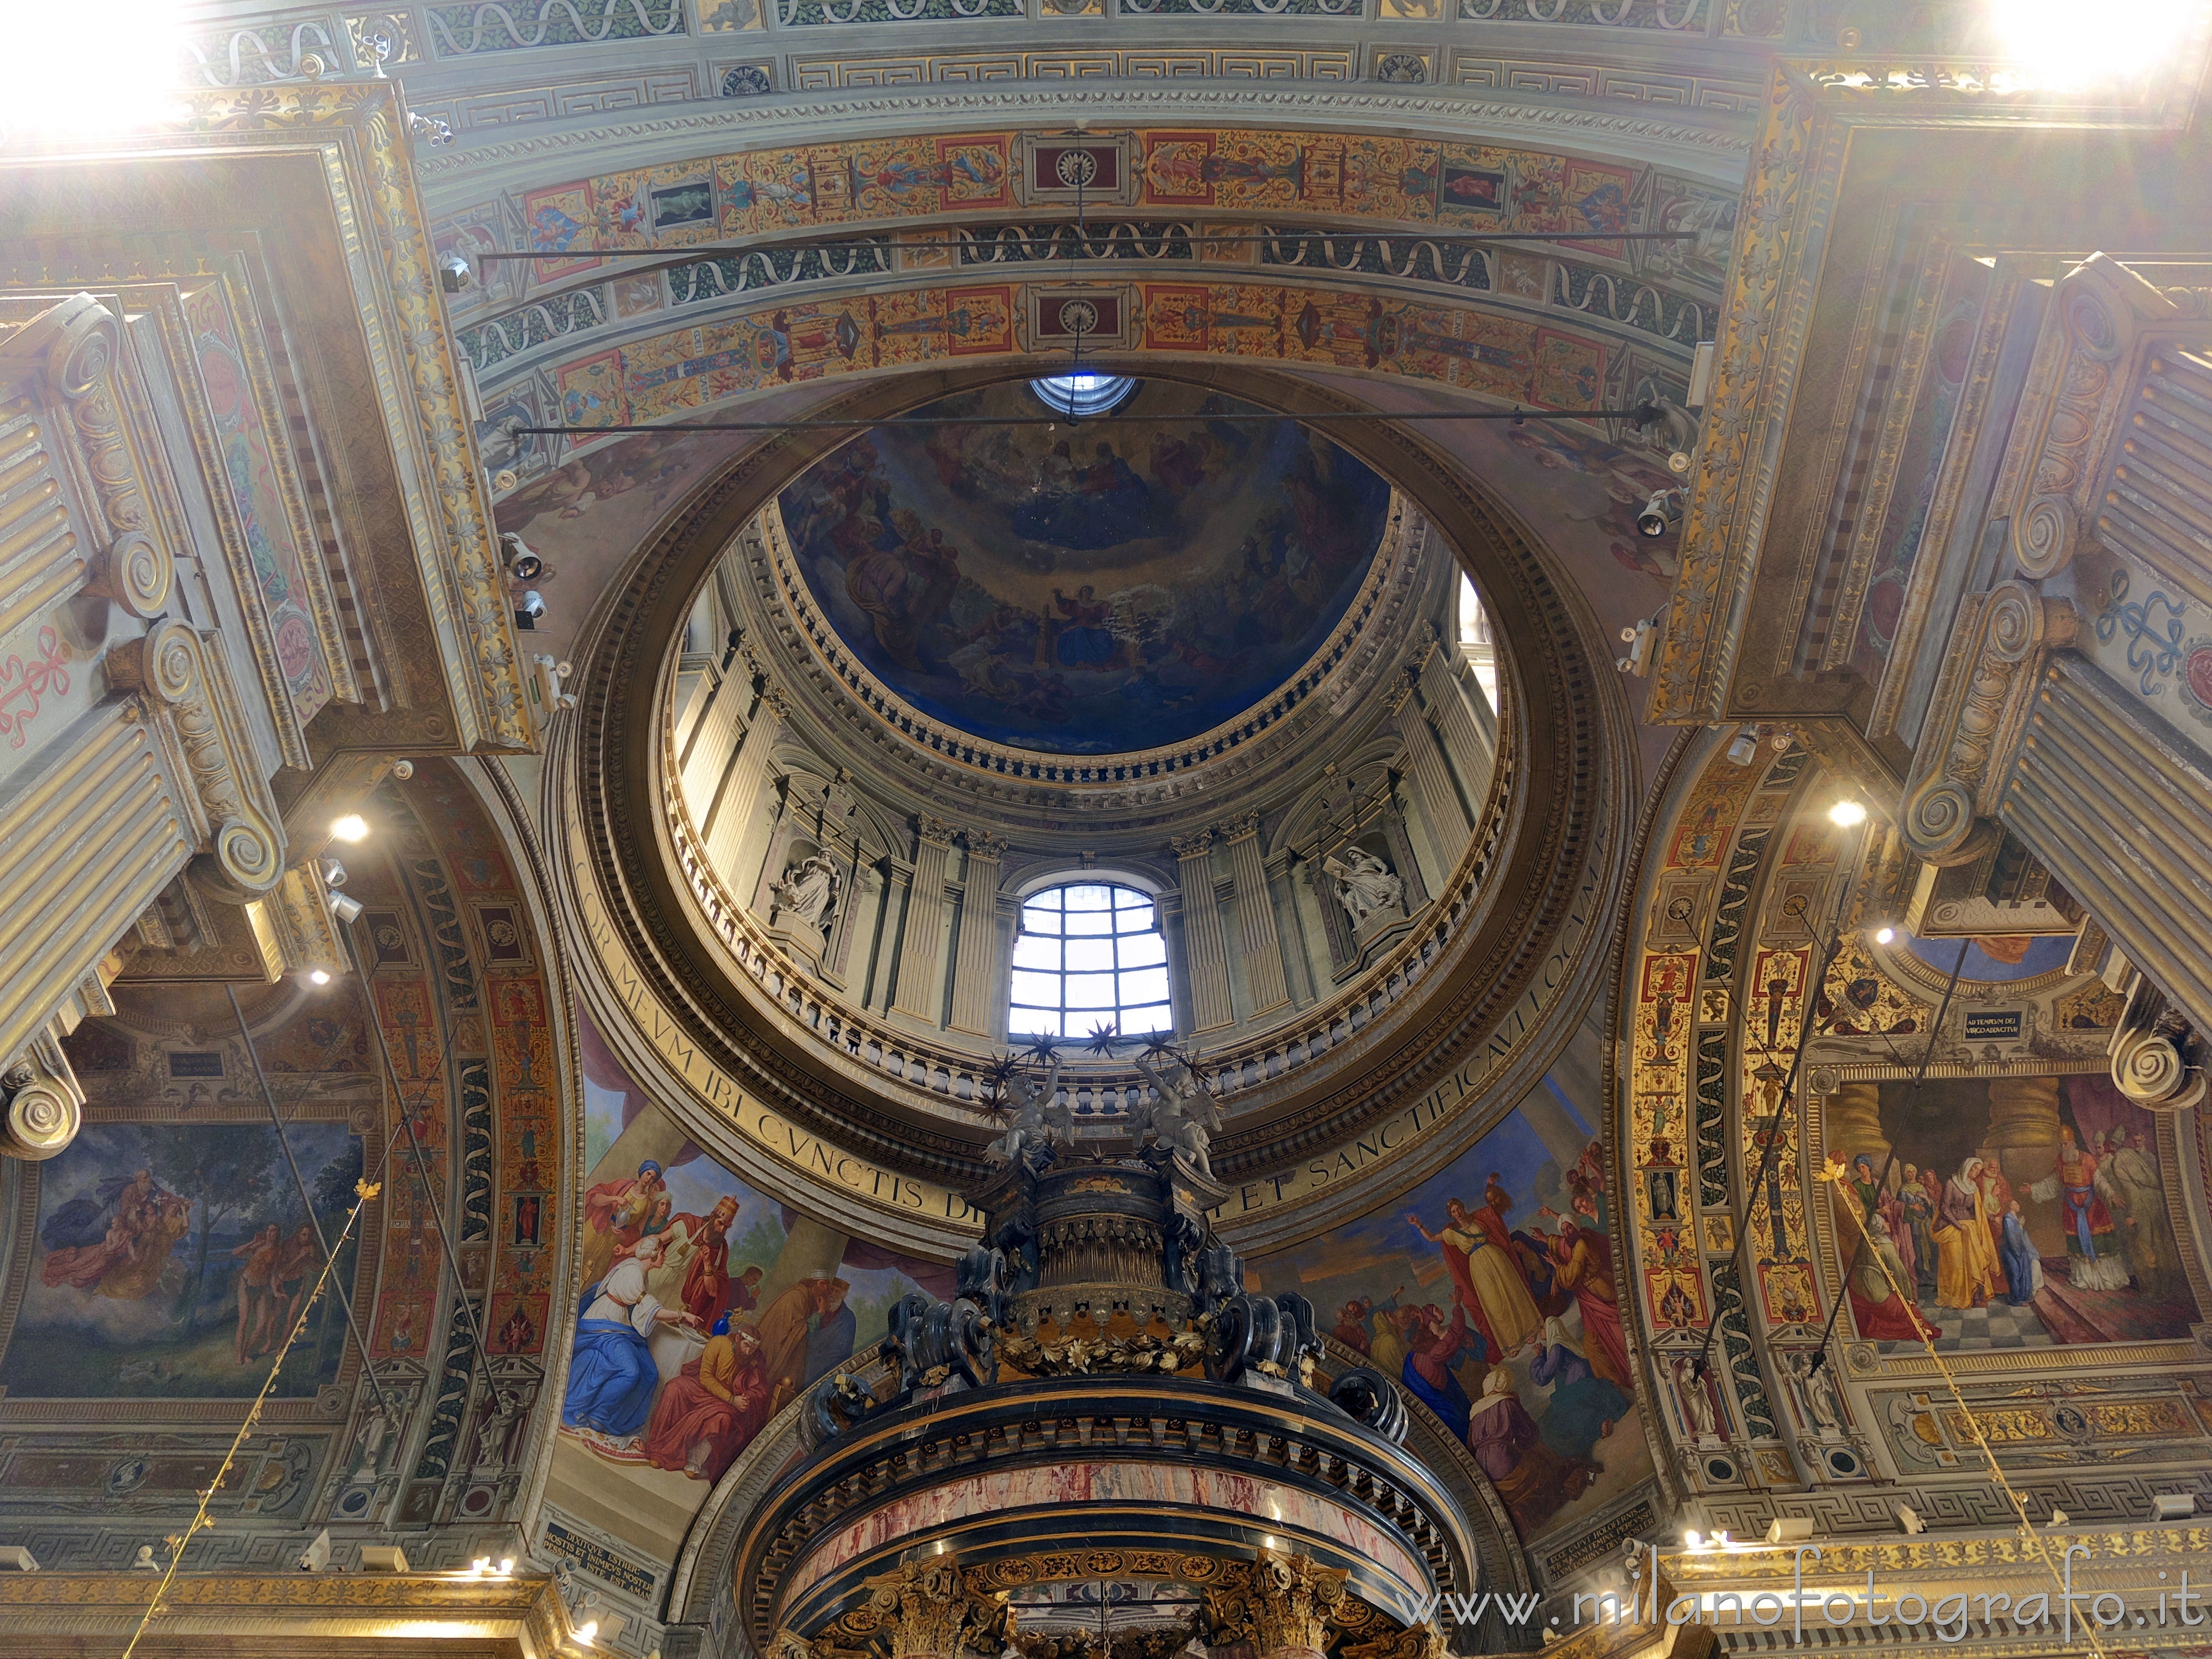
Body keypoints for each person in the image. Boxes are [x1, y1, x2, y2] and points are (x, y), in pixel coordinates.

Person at [564, 1233, 698, 1442]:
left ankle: (625, 1423)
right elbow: (650, 1309)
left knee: (651, 1372)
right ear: (652, 1256)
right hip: (604, 1323)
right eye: (662, 1253)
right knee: (631, 1372)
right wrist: (681, 1315)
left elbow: (645, 1308)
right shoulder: (634, 1273)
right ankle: (599, 1416)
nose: (664, 1257)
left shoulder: (639, 1270)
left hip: (619, 1322)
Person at [1406, 1197, 1542, 1361]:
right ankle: (1512, 1342)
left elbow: (1494, 1212)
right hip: (1478, 1266)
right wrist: (1418, 1224)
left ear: (1463, 1208)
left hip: (1495, 1256)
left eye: (1459, 1209)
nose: (1457, 1213)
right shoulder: (1452, 1233)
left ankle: (1530, 1331)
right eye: (1454, 1212)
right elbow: (1432, 1238)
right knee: (1495, 1304)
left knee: (1512, 1291)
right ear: (1452, 1215)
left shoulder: (1477, 1219)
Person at [1466, 1368, 1593, 1537]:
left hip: (1485, 1469)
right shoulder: (1507, 1401)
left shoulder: (1475, 1411)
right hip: (1505, 1463)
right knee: (1544, 1473)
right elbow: (1530, 1434)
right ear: (1505, 1385)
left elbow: (1470, 1448)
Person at [641, 1317, 769, 1481]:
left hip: (723, 1403)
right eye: (746, 1346)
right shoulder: (718, 1343)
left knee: (723, 1418)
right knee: (674, 1388)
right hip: (704, 1388)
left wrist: (745, 1398)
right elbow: (706, 1377)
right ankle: (657, 1450)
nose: (748, 1352)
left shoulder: (754, 1362)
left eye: (753, 1349)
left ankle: (694, 1462)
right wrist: (731, 1399)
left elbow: (759, 1391)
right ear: (738, 1338)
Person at [1529, 1316, 1630, 1462]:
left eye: (1543, 1328)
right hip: (1582, 1381)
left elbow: (1543, 1377)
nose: (1541, 1332)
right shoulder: (1561, 1342)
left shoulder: (1556, 1347)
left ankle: (1599, 1424)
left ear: (1551, 1330)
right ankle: (1601, 1421)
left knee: (1558, 1423)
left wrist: (1538, 1357)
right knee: (1576, 1410)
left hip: (1575, 1385)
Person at [1547, 1214, 1630, 1389]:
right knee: (1592, 1343)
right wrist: (1545, 1237)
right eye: (1564, 1230)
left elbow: (1571, 1277)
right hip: (1592, 1293)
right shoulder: (1581, 1238)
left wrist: (1556, 1267)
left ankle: (1621, 1375)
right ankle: (1613, 1381)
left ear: (1576, 1226)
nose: (1567, 1232)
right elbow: (1561, 1241)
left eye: (1569, 1228)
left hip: (1599, 1291)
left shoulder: (1581, 1244)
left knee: (1611, 1334)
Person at [2053, 1128, 2129, 1291]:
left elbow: (2100, 1181)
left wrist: (2112, 1195)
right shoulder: (2060, 1161)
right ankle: (2084, 1278)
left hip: (2092, 1207)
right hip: (2072, 1209)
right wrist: (2034, 1188)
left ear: (2073, 1144)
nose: (2064, 1148)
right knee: (2077, 1246)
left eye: (2066, 1144)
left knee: (2101, 1244)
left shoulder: (2087, 1159)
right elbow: (2054, 1183)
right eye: (2061, 1145)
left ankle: (2107, 1279)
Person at [1933, 1157, 2004, 1310]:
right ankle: (1957, 1297)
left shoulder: (1974, 1188)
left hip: (1970, 1228)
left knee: (1976, 1260)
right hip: (1952, 1228)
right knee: (1957, 1264)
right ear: (1967, 1167)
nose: (1976, 1173)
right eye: (1975, 1169)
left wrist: (1979, 1228)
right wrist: (1959, 1225)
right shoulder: (1951, 1184)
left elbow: (1976, 1211)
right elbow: (1944, 1208)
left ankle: (1976, 1297)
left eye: (1979, 1170)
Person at [581, 1161, 665, 1287]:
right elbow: (595, 1198)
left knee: (596, 1274)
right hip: (598, 1229)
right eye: (648, 1174)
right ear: (642, 1171)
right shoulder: (622, 1185)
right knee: (580, 1254)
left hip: (613, 1241)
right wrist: (615, 1198)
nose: (649, 1179)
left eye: (653, 1178)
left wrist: (623, 1237)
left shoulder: (647, 1203)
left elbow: (638, 1232)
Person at [1400, 1303, 1473, 1441]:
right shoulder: (1434, 1353)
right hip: (1436, 1400)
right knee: (1460, 1425)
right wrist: (1457, 1305)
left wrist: (1422, 1321)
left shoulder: (1416, 1353)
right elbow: (1455, 1335)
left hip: (1432, 1392)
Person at [232, 1224, 281, 1365]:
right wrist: (253, 1243)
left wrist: (275, 1291)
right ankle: (238, 1356)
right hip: (246, 1284)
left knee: (262, 1323)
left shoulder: (277, 1250)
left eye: (275, 1231)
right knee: (244, 1321)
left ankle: (245, 1352)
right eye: (270, 1231)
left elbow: (272, 1273)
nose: (272, 1234)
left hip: (262, 1287)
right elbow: (235, 1252)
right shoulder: (258, 1245)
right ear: (266, 1233)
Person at [804, 1278, 857, 1386]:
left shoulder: (848, 1318)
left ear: (844, 1295)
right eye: (832, 1290)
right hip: (807, 1362)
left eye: (837, 1292)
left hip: (827, 1368)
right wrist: (820, 1312)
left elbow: (843, 1350)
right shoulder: (819, 1307)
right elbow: (807, 1331)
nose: (832, 1294)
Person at [1999, 1201, 2038, 1306]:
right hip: (2012, 1251)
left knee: (2024, 1273)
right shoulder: (2008, 1219)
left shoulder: (2017, 1218)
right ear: (2011, 1207)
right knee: (2015, 1274)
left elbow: (2022, 1236)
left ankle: (2024, 1296)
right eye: (2016, 1204)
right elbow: (2012, 1237)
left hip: (2021, 1250)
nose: (2019, 1206)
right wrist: (2020, 1226)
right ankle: (2016, 1300)